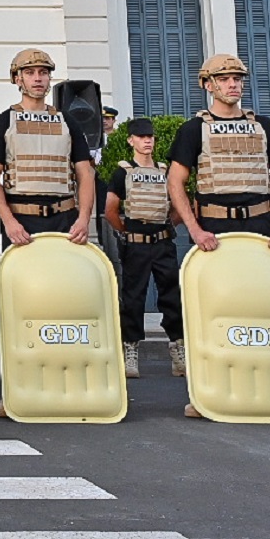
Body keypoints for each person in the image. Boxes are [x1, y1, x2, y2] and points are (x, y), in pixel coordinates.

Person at [166, 54, 270, 254]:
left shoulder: (266, 127)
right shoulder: (193, 129)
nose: (233, 84)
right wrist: (195, 230)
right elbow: (175, 182)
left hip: (261, 226)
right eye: (224, 79)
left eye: (237, 78)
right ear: (208, 85)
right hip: (214, 230)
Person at [0, 48, 93, 248]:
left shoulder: (67, 121)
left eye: (43, 72)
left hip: (65, 220)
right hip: (21, 223)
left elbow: (85, 173)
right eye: (30, 73)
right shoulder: (2, 122)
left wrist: (83, 219)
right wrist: (8, 221)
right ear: (17, 79)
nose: (38, 78)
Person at [103, 117, 183, 380]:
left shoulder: (165, 170)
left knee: (171, 297)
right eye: (141, 137)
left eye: (150, 137)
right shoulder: (122, 172)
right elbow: (111, 210)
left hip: (162, 243)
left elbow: (180, 204)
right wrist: (126, 233)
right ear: (131, 141)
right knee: (134, 299)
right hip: (136, 244)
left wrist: (167, 225)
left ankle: (177, 350)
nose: (147, 140)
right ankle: (131, 351)